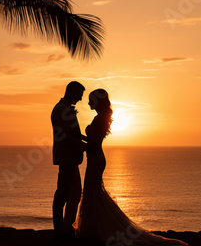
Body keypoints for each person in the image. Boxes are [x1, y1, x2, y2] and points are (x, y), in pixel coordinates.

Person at [74, 89, 188, 246]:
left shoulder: (100, 119)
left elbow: (92, 144)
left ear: (97, 101)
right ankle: (95, 228)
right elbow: (92, 140)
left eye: (90, 100)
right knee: (93, 193)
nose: (88, 103)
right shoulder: (101, 118)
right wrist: (78, 136)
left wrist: (78, 144)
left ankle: (95, 229)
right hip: (96, 158)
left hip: (95, 159)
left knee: (92, 192)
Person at [51, 81, 87, 239]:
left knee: (74, 194)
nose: (80, 99)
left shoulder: (64, 109)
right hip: (66, 158)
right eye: (79, 95)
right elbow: (67, 136)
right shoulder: (60, 110)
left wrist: (88, 140)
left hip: (71, 158)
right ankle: (60, 230)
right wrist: (86, 147)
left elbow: (74, 134)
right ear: (72, 92)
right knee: (63, 194)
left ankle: (66, 227)